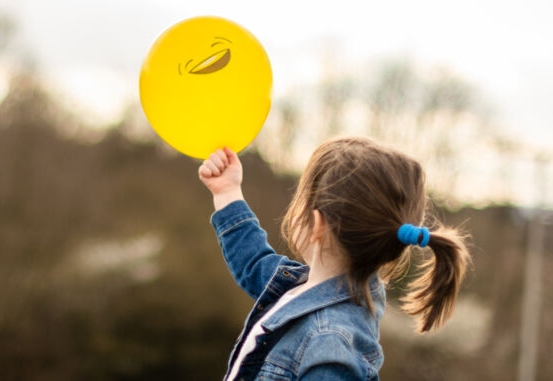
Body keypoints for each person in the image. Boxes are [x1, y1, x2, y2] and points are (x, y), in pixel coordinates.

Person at [198, 137, 471, 380]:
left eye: (300, 198)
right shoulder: (298, 287)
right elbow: (253, 261)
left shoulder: (330, 343)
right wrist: (227, 193)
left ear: (316, 224)